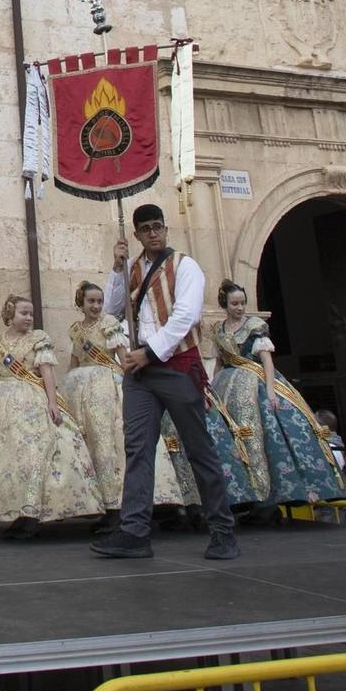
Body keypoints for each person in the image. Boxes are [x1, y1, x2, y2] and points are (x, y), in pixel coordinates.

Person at [92, 203, 238, 561]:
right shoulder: (133, 269)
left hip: (175, 366)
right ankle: (135, 531)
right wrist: (116, 268)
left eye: (157, 227)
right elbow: (113, 309)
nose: (152, 233)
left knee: (198, 448)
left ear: (165, 229)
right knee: (137, 449)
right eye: (145, 229)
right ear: (137, 234)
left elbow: (185, 315)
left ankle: (222, 531)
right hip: (140, 374)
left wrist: (150, 352)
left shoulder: (185, 266)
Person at [0, 292, 101, 539]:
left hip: (32, 403)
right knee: (6, 461)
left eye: (31, 313)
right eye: (24, 313)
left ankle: (32, 514)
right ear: (10, 316)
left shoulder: (39, 339)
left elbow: (47, 373)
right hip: (0, 409)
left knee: (33, 457)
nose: (29, 318)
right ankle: (14, 514)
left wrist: (53, 402)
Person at [210, 281, 345, 506]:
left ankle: (273, 495)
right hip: (227, 384)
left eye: (243, 303)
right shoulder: (219, 329)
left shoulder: (255, 326)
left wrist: (271, 391)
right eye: (235, 304)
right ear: (225, 304)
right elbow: (218, 362)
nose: (240, 307)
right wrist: (213, 388)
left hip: (255, 383)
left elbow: (266, 361)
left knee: (268, 436)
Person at [61, 280, 128, 532]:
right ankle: (96, 502)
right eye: (91, 301)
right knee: (84, 442)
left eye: (100, 301)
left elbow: (122, 358)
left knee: (106, 443)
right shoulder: (76, 330)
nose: (96, 305)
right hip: (79, 388)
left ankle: (116, 506)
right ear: (82, 303)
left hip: (106, 386)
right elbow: (74, 362)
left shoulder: (110, 325)